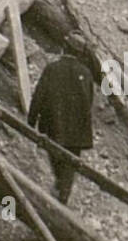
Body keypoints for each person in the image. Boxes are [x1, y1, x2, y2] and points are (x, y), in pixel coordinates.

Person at [27, 56, 95, 203]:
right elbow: (90, 102)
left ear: (64, 49)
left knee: (55, 154)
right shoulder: (87, 73)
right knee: (71, 161)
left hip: (54, 123)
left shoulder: (52, 68)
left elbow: (39, 94)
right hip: (77, 128)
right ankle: (64, 192)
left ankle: (60, 186)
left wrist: (31, 120)